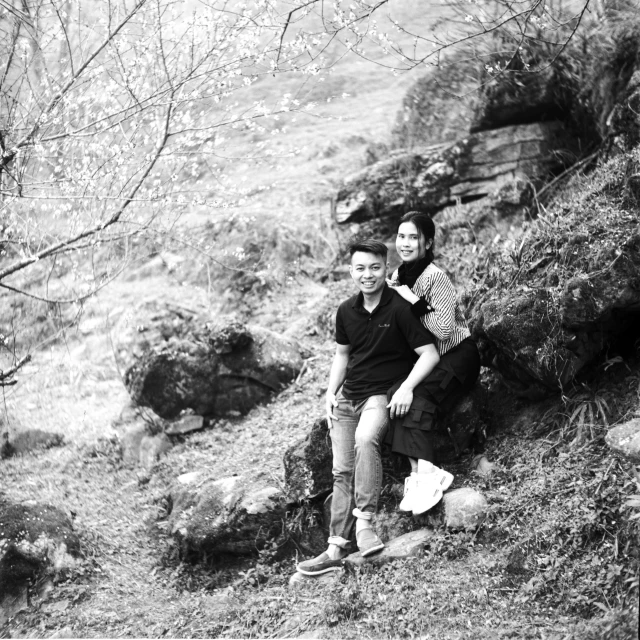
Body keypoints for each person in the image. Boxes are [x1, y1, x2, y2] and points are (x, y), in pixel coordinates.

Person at [296, 239, 441, 576]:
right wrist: (330, 392)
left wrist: (406, 387)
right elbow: (342, 355)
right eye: (360, 268)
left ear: (384, 268)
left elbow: (430, 353)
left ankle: (365, 525)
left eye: (375, 267)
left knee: (366, 440)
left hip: (379, 396)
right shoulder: (346, 310)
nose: (368, 274)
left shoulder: (400, 308)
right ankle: (335, 547)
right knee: (340, 471)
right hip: (347, 398)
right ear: (351, 271)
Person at [387, 211, 481, 515]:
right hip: (430, 358)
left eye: (413, 237)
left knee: (418, 396)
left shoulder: (435, 277)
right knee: (395, 395)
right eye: (401, 236)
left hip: (457, 355)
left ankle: (426, 474)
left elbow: (443, 329)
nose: (405, 242)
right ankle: (422, 475)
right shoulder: (400, 275)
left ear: (427, 243)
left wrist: (410, 300)